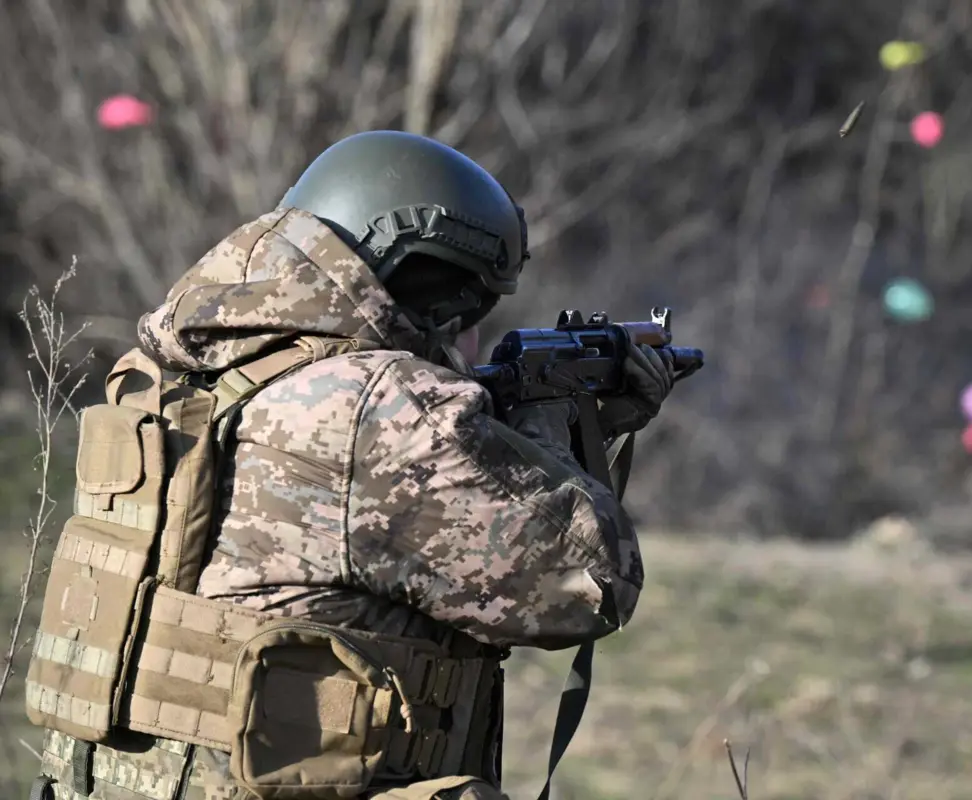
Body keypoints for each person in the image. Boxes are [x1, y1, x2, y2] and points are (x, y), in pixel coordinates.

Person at [25, 131, 674, 799]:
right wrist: (549, 420)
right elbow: (588, 582)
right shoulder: (380, 406)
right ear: (439, 295)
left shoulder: (177, 369)